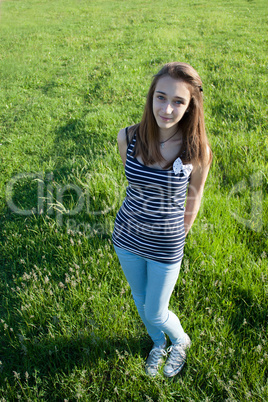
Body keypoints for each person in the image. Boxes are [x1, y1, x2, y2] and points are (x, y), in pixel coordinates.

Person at [112, 62, 212, 377]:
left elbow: (194, 196)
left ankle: (180, 341)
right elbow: (137, 183)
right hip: (126, 237)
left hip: (166, 244)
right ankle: (158, 343)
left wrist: (178, 233)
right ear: (151, 97)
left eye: (178, 101)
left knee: (156, 310)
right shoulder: (127, 136)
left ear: (191, 104)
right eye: (160, 97)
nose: (166, 109)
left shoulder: (197, 150)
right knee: (141, 300)